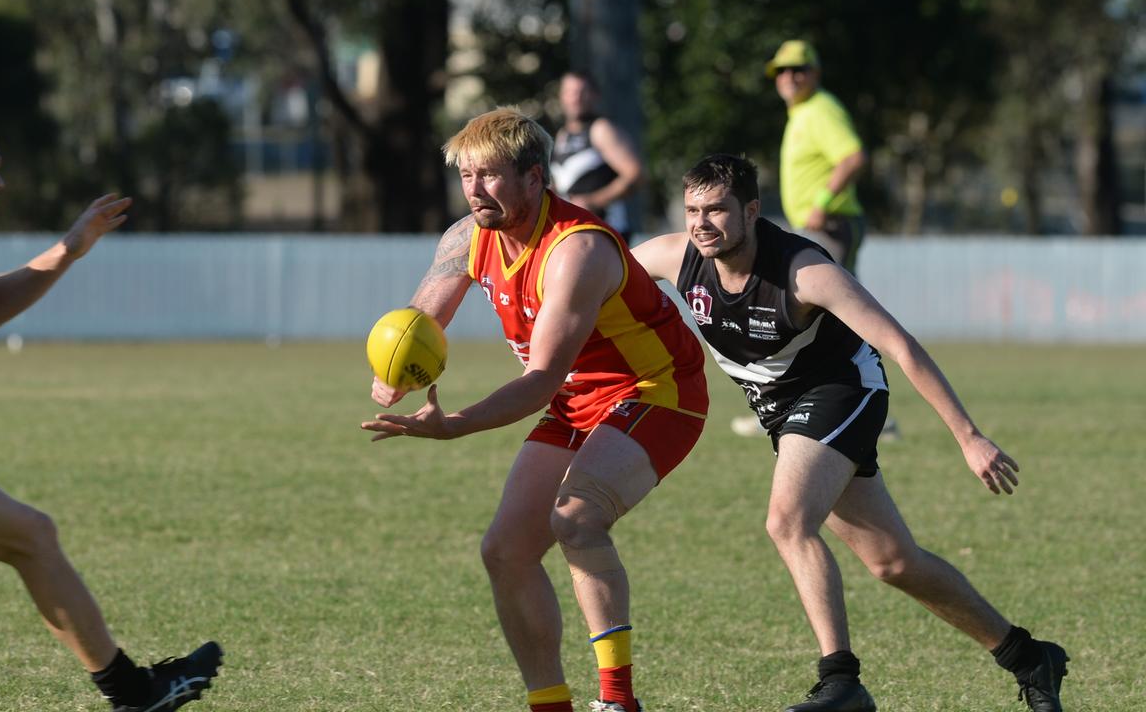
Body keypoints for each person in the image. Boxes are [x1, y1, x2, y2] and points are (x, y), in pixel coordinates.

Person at [632, 153, 1067, 712]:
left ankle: (842, 683)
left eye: (717, 209)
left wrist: (969, 436)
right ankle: (1028, 657)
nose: (701, 223)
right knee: (893, 562)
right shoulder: (677, 256)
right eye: (693, 209)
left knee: (787, 522)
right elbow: (602, 273)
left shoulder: (803, 270)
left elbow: (902, 346)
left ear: (752, 211)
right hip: (781, 410)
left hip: (845, 391)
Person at [0, 118, 223, 712]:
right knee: (32, 536)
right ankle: (136, 695)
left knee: (30, 537)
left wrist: (67, 249)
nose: (0, 182)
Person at [361, 108, 708, 712]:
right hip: (579, 398)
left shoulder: (578, 250)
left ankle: (617, 701)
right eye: (467, 175)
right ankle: (550, 705)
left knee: (575, 518)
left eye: (490, 174)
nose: (475, 189)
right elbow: (420, 322)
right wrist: (394, 371)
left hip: (656, 390)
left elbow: (540, 379)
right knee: (505, 551)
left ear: (534, 177)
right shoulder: (468, 236)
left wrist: (456, 426)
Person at [727, 40, 886, 440]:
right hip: (821, 226)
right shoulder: (803, 113)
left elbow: (852, 156)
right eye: (781, 70)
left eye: (798, 69)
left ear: (815, 72)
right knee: (829, 316)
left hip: (829, 224)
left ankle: (843, 402)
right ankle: (796, 403)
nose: (789, 77)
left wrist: (822, 201)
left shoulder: (819, 110)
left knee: (831, 315)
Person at [550, 71, 643, 241]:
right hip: (573, 233)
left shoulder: (601, 129)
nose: (575, 98)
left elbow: (635, 175)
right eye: (569, 92)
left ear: (594, 95)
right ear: (561, 97)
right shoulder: (562, 135)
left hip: (608, 233)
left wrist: (594, 201)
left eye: (581, 92)